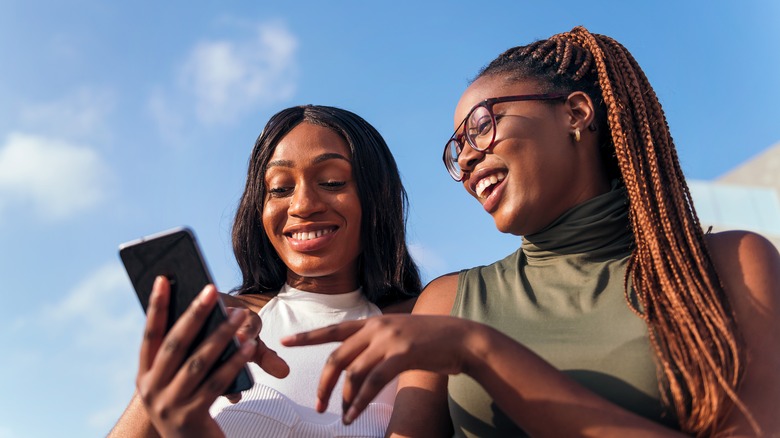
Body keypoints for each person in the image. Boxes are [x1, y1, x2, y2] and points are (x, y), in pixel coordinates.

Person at [282, 26, 780, 436]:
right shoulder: (448, 302)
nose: (467, 158)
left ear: (576, 113)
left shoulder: (731, 264)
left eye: (481, 126)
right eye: (457, 149)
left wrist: (482, 352)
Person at [108, 104, 422, 437]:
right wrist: (163, 380)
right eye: (280, 189)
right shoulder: (223, 321)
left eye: (332, 182)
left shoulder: (424, 320)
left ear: (377, 194)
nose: (302, 205)